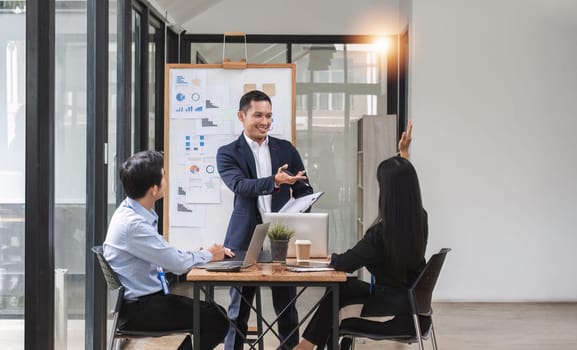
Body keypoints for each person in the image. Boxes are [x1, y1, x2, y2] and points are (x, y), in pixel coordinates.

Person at [294, 132, 427, 350]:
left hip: (390, 307)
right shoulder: (419, 218)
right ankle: (308, 346)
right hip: (410, 302)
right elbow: (404, 182)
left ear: (387, 192)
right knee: (345, 288)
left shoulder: (381, 234)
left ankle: (305, 346)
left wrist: (332, 258)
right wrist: (404, 153)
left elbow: (346, 263)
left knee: (340, 289)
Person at [103, 150, 232, 350]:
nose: (167, 179)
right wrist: (208, 255)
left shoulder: (131, 211)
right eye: (164, 175)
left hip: (141, 302)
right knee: (217, 318)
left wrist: (198, 254)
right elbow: (177, 265)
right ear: (154, 189)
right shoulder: (134, 225)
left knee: (213, 315)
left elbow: (166, 255)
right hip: (140, 309)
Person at [217, 90, 314, 350]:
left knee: (287, 309)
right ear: (241, 116)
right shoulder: (228, 153)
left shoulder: (286, 149)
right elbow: (240, 185)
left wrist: (299, 212)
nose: (265, 122)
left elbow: (304, 189)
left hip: (281, 236)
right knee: (238, 310)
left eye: (269, 116)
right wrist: (274, 181)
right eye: (258, 115)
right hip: (244, 237)